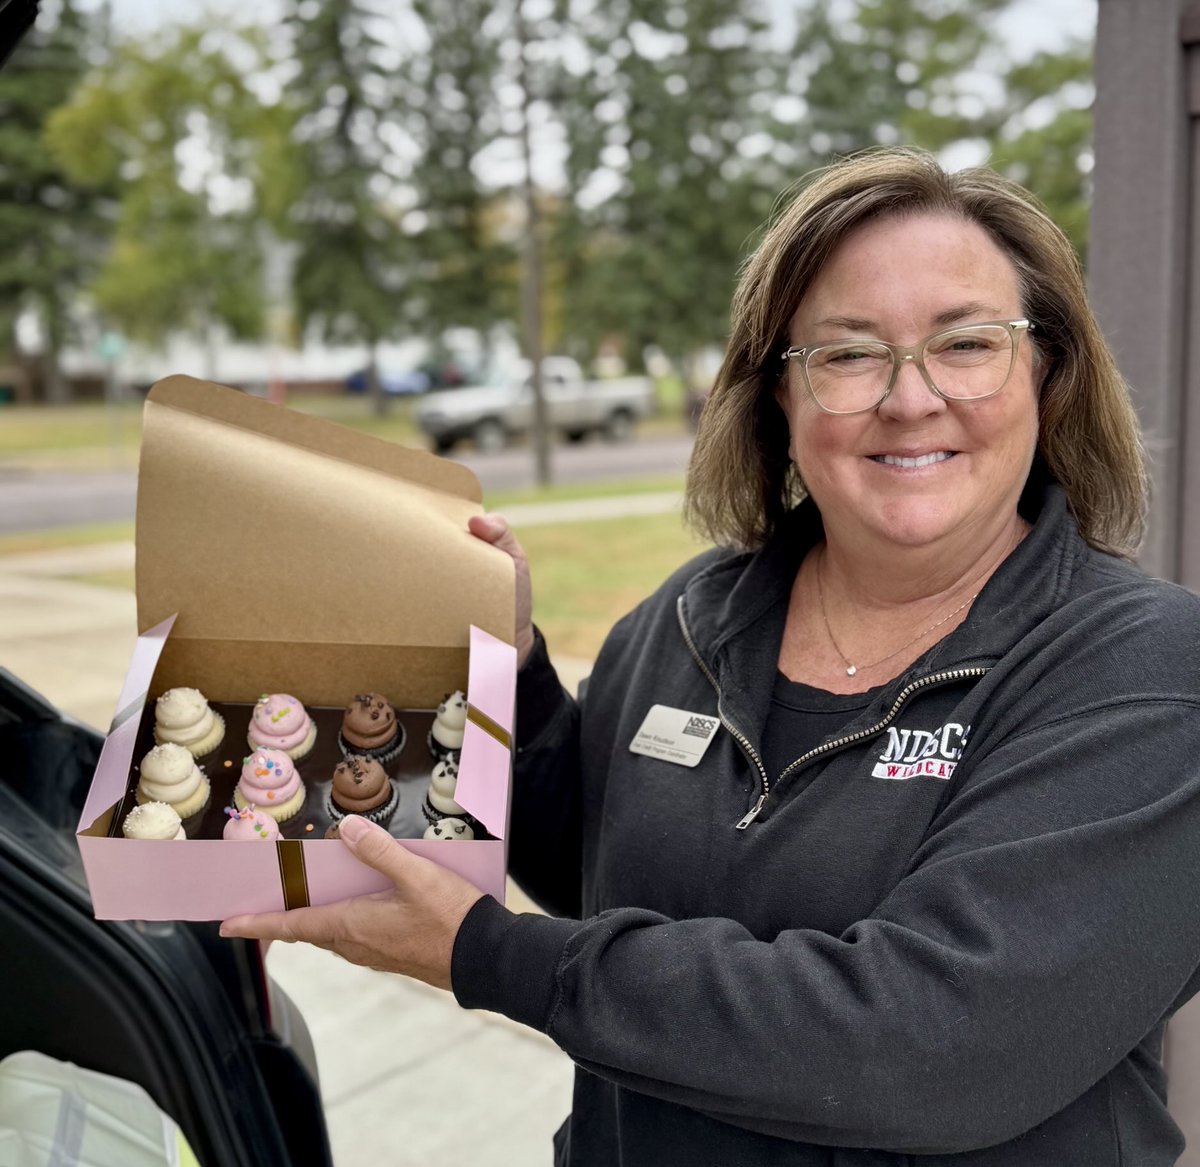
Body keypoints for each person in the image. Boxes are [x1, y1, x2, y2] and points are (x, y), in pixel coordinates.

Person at [222, 148, 1200, 1165]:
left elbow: (934, 1045)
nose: (910, 398)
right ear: (779, 395)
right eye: (848, 354)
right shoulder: (695, 617)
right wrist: (503, 668)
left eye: (965, 344)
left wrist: (492, 955)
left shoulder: (1144, 673)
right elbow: (594, 862)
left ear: (1047, 373)